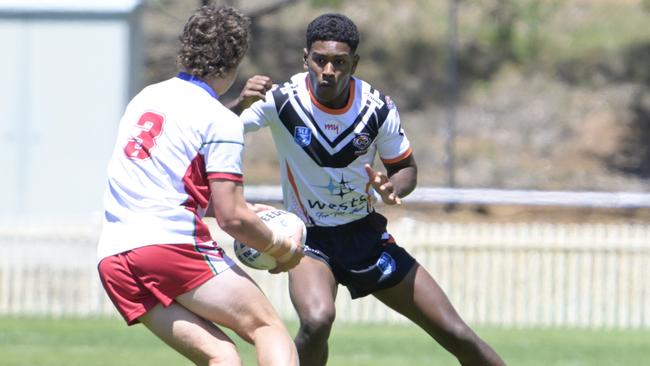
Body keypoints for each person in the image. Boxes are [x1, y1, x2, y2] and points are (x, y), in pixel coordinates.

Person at [233, 13, 506, 366]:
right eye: (320, 60)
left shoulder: (376, 109)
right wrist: (238, 102)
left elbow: (405, 169)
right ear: (306, 59)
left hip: (365, 237)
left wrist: (390, 190)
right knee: (317, 320)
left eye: (339, 62)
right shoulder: (282, 101)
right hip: (309, 238)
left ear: (354, 64)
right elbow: (214, 127)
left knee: (455, 332)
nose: (328, 70)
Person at [96, 5, 304, 366]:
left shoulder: (145, 98)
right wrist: (283, 249)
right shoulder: (220, 122)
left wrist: (239, 207)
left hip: (115, 257)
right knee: (267, 328)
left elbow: (164, 184)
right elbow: (232, 219)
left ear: (186, 48)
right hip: (169, 245)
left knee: (220, 356)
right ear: (237, 58)